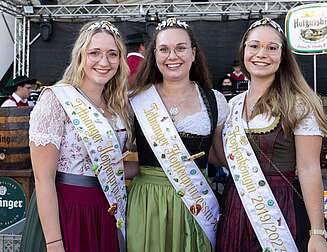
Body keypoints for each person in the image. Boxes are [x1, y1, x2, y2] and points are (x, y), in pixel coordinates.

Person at [19, 20, 133, 252]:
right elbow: (43, 179)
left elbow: (109, 166)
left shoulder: (117, 104)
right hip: (67, 211)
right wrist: (53, 243)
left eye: (112, 54)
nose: (104, 61)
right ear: (80, 56)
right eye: (95, 53)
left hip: (106, 208)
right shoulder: (56, 99)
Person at [217, 17, 327, 252]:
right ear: (244, 50)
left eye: (272, 47)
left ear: (283, 55)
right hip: (237, 206)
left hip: (280, 210)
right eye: (254, 46)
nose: (261, 54)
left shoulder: (299, 104)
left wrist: (317, 233)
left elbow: (309, 168)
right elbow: (223, 159)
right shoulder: (233, 105)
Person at [127, 17, 229, 252]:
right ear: (155, 56)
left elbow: (220, 157)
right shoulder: (136, 100)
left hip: (196, 203)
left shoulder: (215, 101)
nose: (172, 56)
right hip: (147, 204)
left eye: (180, 48)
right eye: (164, 49)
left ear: (193, 53)